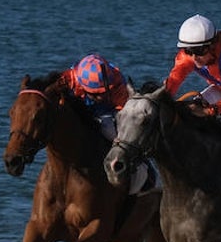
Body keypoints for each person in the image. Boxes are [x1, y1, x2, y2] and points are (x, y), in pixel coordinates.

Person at [62, 53, 157, 194]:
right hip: (81, 108)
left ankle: (142, 166)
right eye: (95, 93)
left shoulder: (117, 83)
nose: (100, 96)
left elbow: (123, 113)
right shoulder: (68, 79)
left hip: (107, 113)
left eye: (103, 91)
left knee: (109, 130)